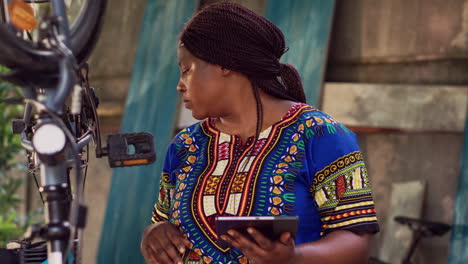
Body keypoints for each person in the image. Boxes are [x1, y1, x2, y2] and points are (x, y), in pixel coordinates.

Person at [141, 3, 379, 264]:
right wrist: (153, 233)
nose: (179, 85)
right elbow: (163, 219)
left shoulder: (321, 135)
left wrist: (294, 258)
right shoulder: (185, 146)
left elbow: (357, 241)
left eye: (186, 70)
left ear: (224, 64)